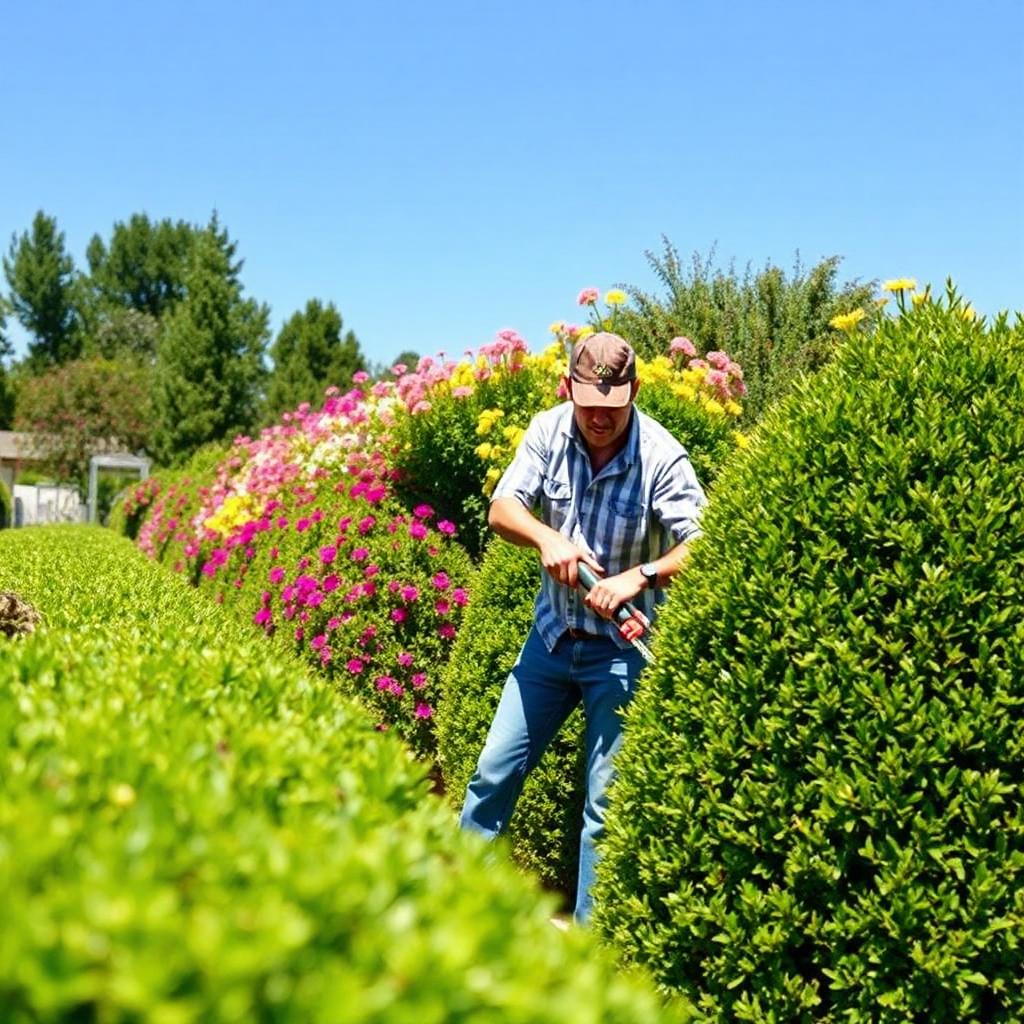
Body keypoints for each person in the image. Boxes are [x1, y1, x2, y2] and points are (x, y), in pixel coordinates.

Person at [458, 331, 707, 923]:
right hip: (550, 640)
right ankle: (458, 913)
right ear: (567, 388)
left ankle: (590, 961)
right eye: (588, 405)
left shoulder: (661, 457)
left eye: (612, 409)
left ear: (635, 392)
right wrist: (548, 537)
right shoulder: (548, 431)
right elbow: (502, 507)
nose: (598, 419)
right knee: (493, 773)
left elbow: (705, 543)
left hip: (619, 656)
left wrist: (639, 576)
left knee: (604, 808)